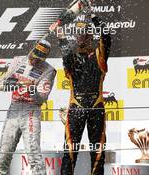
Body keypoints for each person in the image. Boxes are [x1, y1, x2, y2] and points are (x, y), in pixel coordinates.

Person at [51, 7, 111, 175]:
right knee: (69, 151)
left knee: (98, 152)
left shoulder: (99, 54)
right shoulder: (71, 57)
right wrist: (61, 36)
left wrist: (93, 16)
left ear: (90, 35)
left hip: (96, 107)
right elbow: (66, 55)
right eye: (77, 32)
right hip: (76, 106)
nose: (80, 35)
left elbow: (106, 37)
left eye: (84, 32)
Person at [0, 39, 56, 175]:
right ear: (31, 50)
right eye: (34, 56)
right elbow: (3, 82)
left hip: (31, 111)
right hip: (14, 108)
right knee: (4, 154)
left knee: (33, 154)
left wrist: (31, 89)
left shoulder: (48, 70)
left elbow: (41, 98)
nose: (35, 61)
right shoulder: (18, 60)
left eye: (39, 59)